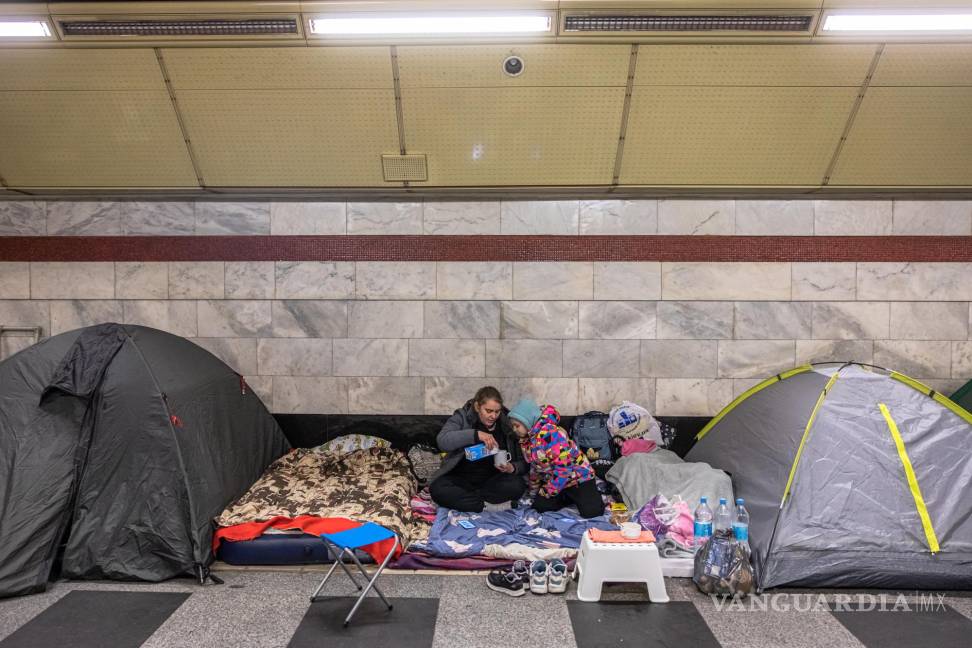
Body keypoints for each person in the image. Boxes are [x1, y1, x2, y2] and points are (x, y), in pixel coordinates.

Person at [429, 386, 527, 512]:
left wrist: (512, 467)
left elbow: (525, 461)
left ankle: (473, 503)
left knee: (517, 485)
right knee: (438, 489)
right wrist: (475, 435)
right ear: (477, 407)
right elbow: (442, 441)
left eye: (497, 412)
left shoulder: (507, 424)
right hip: (461, 479)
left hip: (492, 481)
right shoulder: (462, 417)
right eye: (488, 411)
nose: (493, 416)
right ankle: (487, 505)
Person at [507, 398, 603, 519]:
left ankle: (590, 491)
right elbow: (535, 467)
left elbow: (564, 468)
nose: (514, 429)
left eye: (517, 426)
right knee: (540, 507)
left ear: (528, 422)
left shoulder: (551, 435)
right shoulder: (526, 441)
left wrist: (549, 491)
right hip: (556, 481)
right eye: (513, 426)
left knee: (592, 512)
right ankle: (568, 497)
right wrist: (534, 493)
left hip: (578, 478)